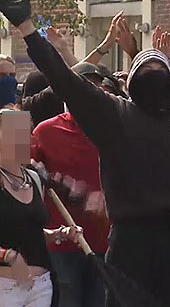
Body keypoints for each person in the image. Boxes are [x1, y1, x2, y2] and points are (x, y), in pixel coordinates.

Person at [0, 0, 170, 307]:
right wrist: (27, 28)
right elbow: (63, 79)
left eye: (159, 70)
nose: (154, 75)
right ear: (131, 81)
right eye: (146, 70)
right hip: (130, 242)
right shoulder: (115, 113)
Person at [31, 63, 109, 307]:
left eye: (95, 86)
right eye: (84, 86)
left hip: (104, 239)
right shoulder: (46, 131)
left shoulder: (114, 128)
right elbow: (29, 173)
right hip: (63, 241)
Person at [0, 108, 82, 307]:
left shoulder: (34, 178)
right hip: (5, 288)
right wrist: (8, 256)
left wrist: (58, 234)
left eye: (26, 131)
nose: (25, 138)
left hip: (41, 287)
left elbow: (31, 232)